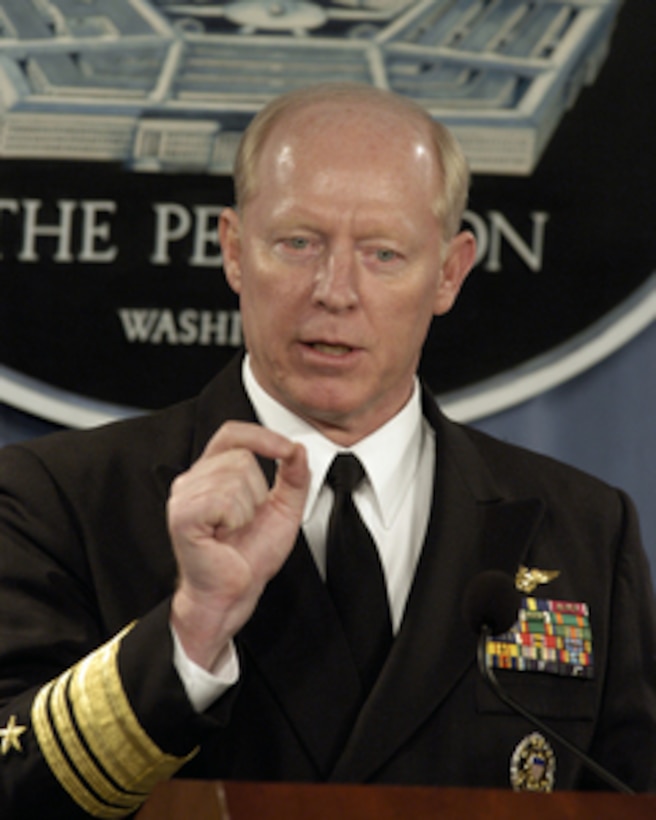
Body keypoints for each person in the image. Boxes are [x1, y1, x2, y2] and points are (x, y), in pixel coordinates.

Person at [0, 83, 655, 818]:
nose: (335, 291)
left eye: (383, 253)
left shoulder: (587, 530)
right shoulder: (57, 500)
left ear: (448, 272)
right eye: (299, 243)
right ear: (235, 251)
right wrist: (189, 634)